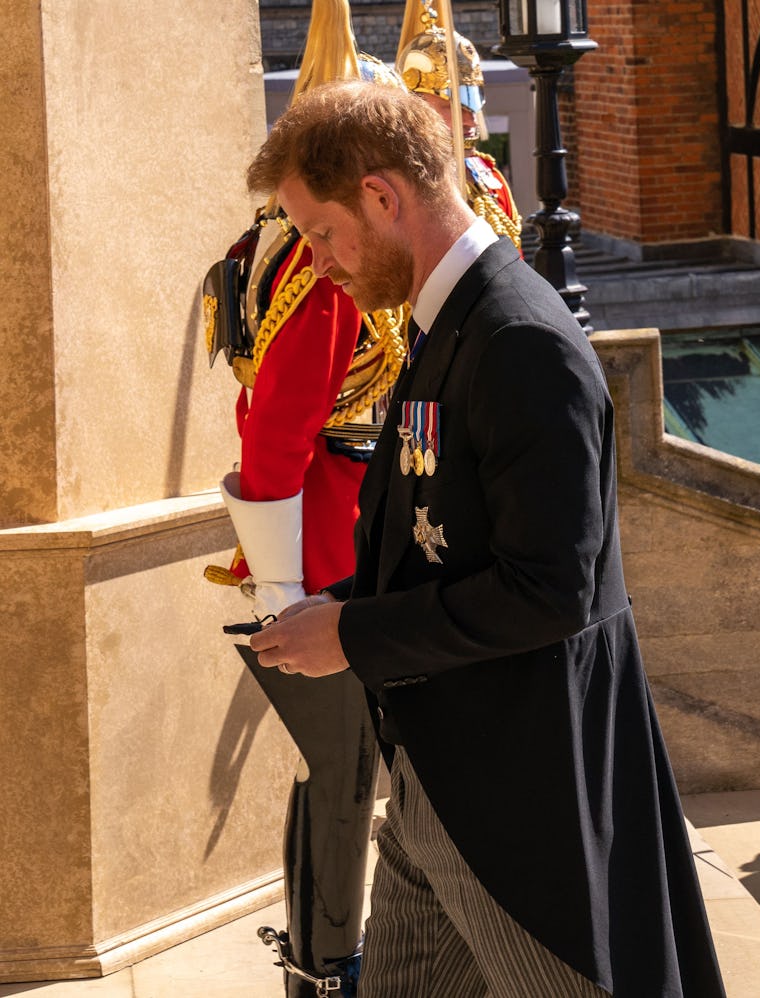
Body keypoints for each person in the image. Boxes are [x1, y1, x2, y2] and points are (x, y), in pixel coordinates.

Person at [246, 80, 726, 997]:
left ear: (382, 198)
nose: (317, 262)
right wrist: (342, 608)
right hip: (440, 781)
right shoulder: (449, 321)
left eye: (319, 233)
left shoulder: (517, 339)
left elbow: (549, 590)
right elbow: (447, 542)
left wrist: (349, 635)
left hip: (520, 804)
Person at [201, 5, 406, 995]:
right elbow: (276, 429)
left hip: (336, 530)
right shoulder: (314, 263)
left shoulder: (286, 241)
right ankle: (331, 968)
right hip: (325, 545)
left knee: (337, 773)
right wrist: (284, 587)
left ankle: (320, 960)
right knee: (346, 773)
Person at [396, 0, 523, 251]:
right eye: (452, 107)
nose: (471, 120)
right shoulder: (393, 191)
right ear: (414, 108)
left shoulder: (488, 178)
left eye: (472, 104)